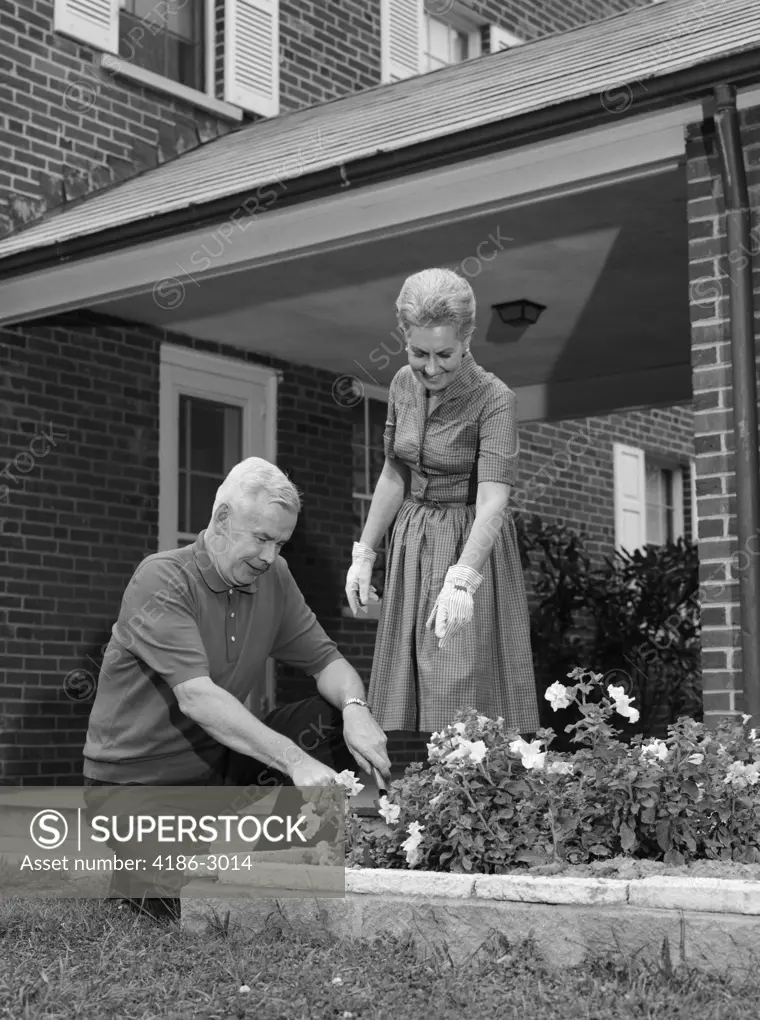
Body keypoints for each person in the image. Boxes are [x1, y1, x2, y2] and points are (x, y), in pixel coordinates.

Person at [83, 456, 390, 920]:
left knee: (329, 721)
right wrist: (294, 760)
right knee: (153, 915)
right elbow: (197, 698)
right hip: (134, 780)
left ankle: (286, 881)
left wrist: (355, 708)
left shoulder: (274, 578)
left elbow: (328, 661)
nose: (270, 556)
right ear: (223, 519)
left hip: (216, 764)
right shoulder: (162, 578)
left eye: (280, 543)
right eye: (262, 538)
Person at [346, 268, 540, 736]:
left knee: (458, 683)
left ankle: (467, 796)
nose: (431, 368)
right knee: (408, 683)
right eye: (418, 353)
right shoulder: (400, 386)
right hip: (414, 541)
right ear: (404, 337)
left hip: (467, 543)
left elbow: (494, 501)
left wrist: (463, 578)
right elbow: (395, 471)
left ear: (468, 339)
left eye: (445, 354)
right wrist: (365, 552)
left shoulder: (494, 399)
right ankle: (416, 798)